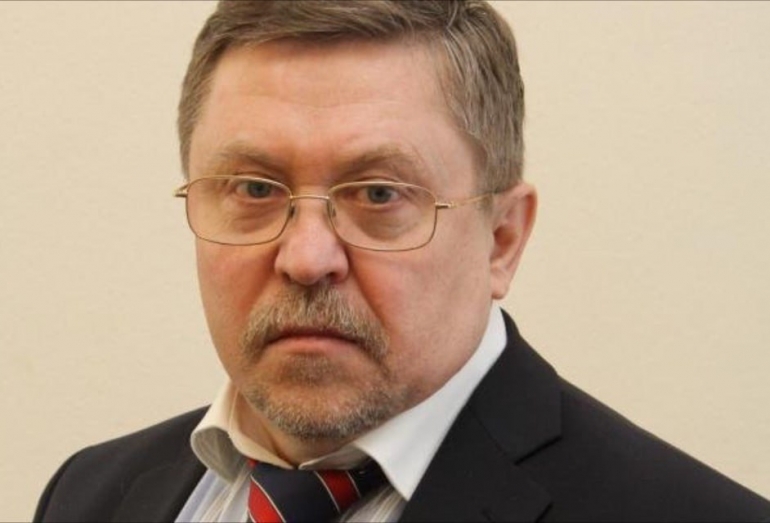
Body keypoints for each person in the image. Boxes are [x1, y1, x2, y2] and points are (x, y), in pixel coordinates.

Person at [33, 1, 770, 522]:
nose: (306, 257)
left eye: (379, 193)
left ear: (502, 238)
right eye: (254, 189)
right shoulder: (88, 495)